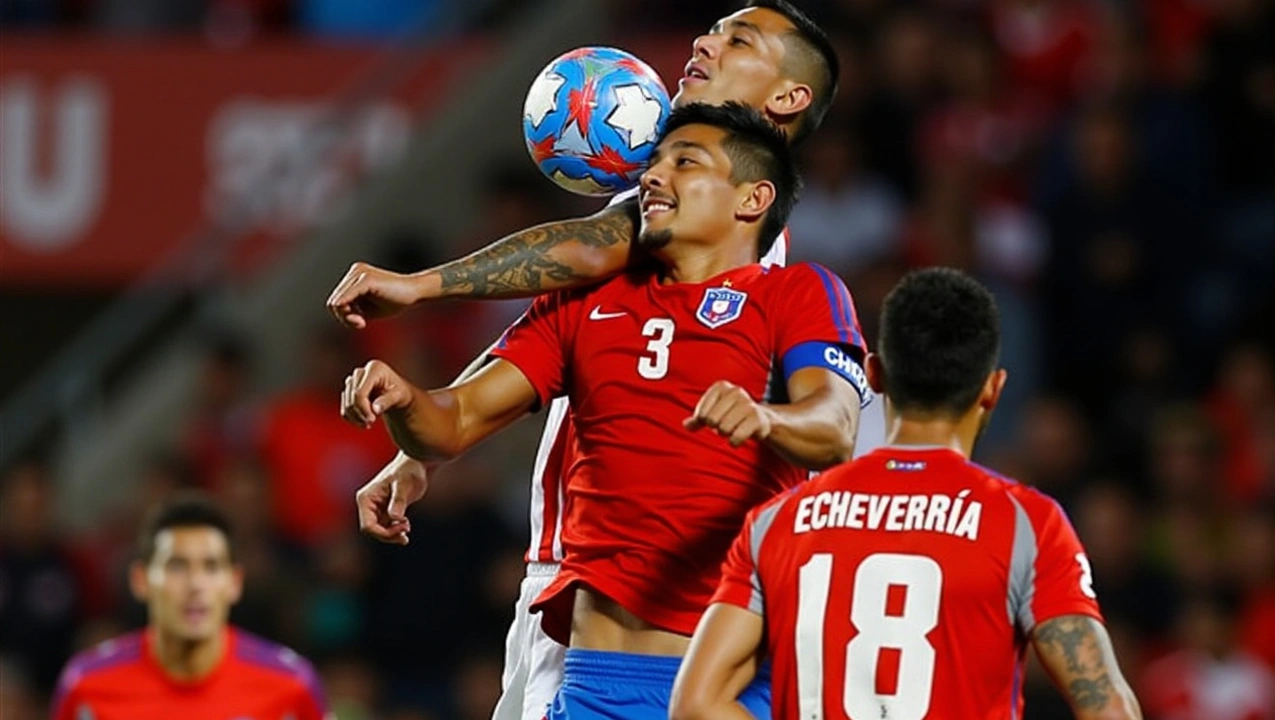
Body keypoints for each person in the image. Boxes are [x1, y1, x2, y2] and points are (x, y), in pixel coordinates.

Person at [329, 3, 857, 719]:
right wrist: (425, 443)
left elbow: (589, 247)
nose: (705, 40)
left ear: (789, 98)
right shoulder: (675, 236)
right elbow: (543, 328)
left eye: (739, 40)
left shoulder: (740, 256)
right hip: (588, 602)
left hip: (658, 613)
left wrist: (422, 285)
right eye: (712, 28)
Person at [670, 268, 1143, 720]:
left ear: (873, 376)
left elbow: (696, 702)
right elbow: (1107, 706)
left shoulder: (780, 520)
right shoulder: (1026, 523)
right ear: (993, 388)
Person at [51, 493, 330, 720]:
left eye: (211, 567)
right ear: (140, 580)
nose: (196, 584)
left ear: (234, 582)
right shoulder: (86, 687)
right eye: (177, 566)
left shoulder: (291, 686)